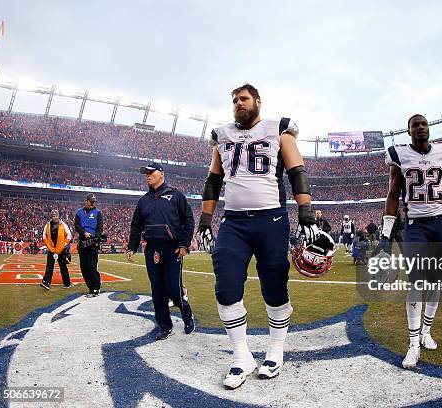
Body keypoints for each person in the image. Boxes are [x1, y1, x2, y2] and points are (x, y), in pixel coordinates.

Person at [196, 83, 321, 389]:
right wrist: (204, 221)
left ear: (257, 102)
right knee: (225, 286)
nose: (238, 103)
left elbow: (297, 172)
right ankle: (242, 356)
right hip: (234, 223)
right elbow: (213, 181)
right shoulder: (222, 136)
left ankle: (275, 350)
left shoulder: (278, 129)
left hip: (271, 219)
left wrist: (305, 212)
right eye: (234, 100)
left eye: (243, 98)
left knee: (274, 286)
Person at [381, 114, 442, 369]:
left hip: (439, 223)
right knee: (416, 281)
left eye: (424, 124)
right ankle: (413, 342)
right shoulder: (399, 154)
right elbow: (393, 195)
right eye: (415, 125)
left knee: (436, 280)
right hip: (415, 225)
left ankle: (426, 331)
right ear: (408, 131)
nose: (420, 128)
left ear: (429, 128)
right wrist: (385, 234)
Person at [126, 162, 195, 340]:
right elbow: (136, 225)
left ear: (162, 174)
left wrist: (184, 244)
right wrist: (132, 247)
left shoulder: (176, 196)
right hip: (151, 251)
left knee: (173, 288)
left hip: (172, 250)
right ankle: (165, 325)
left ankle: (187, 314)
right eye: (145, 173)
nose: (147, 176)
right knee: (157, 290)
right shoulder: (143, 201)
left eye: (151, 172)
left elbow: (188, 220)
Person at [75, 193, 104, 297]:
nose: (92, 204)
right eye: (91, 202)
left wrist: (95, 238)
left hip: (93, 242)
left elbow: (100, 228)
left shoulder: (98, 213)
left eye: (94, 202)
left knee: (92, 265)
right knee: (84, 266)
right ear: (86, 201)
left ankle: (96, 286)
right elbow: (77, 226)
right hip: (83, 241)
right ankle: (90, 287)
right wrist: (84, 233)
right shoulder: (79, 212)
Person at [40, 210, 72, 290]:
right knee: (49, 267)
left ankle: (67, 283)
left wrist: (63, 245)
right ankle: (46, 282)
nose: (54, 217)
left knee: (63, 267)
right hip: (51, 250)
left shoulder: (63, 225)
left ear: (58, 216)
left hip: (61, 250)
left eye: (56, 216)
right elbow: (44, 236)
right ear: (51, 216)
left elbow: (69, 235)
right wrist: (48, 246)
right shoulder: (47, 225)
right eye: (53, 216)